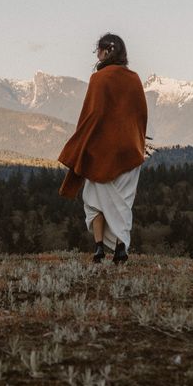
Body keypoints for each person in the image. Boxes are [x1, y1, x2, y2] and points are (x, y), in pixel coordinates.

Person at [58, 33, 148, 264]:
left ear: (107, 51)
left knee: (94, 200)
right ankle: (120, 249)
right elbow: (140, 116)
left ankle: (99, 248)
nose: (97, 55)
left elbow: (92, 115)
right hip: (129, 151)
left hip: (101, 151)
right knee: (124, 202)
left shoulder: (99, 79)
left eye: (98, 50)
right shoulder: (135, 79)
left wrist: (80, 144)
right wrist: (138, 142)